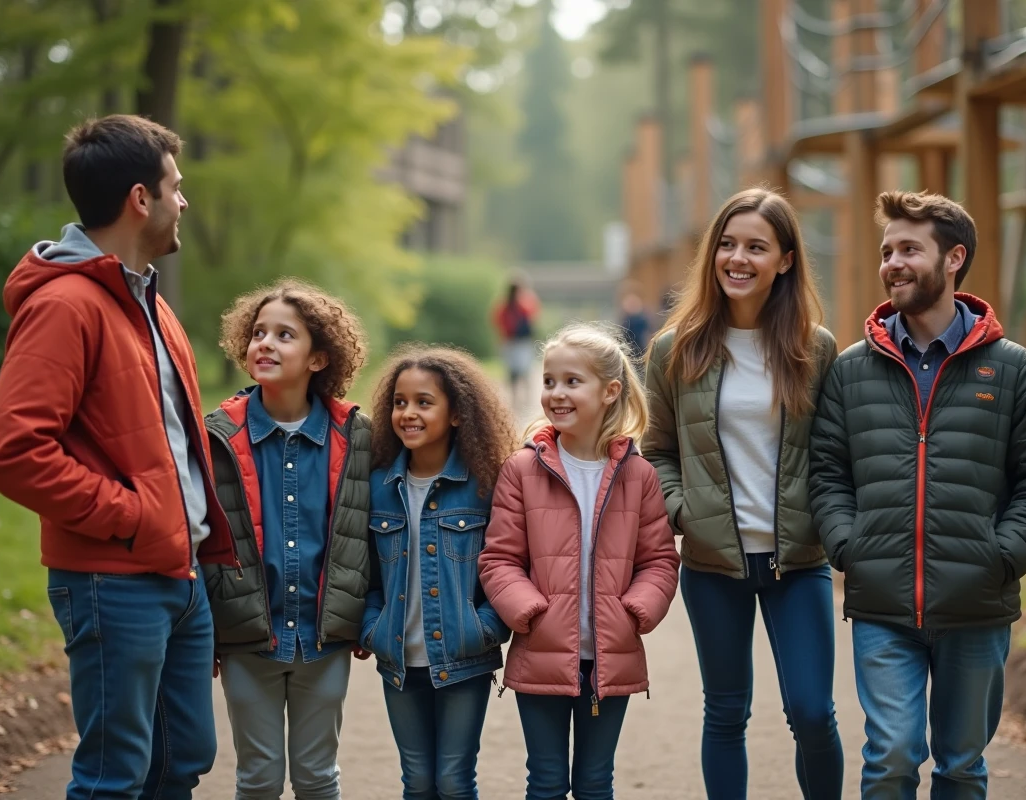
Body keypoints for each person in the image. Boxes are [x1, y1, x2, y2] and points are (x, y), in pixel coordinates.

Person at [0, 114, 234, 799]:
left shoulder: (148, 301)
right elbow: (13, 451)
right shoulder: (66, 305)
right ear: (139, 199)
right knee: (112, 777)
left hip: (179, 577)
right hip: (112, 579)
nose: (185, 202)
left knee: (181, 762)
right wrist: (131, 517)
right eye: (176, 187)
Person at [809, 190, 1026, 799]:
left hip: (976, 604)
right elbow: (825, 470)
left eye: (909, 249)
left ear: (954, 258)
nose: (893, 263)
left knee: (960, 765)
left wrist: (1000, 556)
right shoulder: (851, 371)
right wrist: (851, 547)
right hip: (883, 604)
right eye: (886, 251)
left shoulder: (1011, 370)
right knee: (893, 757)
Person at [642, 186, 844, 799]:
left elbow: (833, 455)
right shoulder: (676, 349)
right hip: (713, 564)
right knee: (726, 713)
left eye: (756, 247)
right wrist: (686, 512)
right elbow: (657, 452)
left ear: (785, 259)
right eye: (727, 245)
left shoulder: (816, 348)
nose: (737, 258)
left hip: (799, 562)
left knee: (812, 712)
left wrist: (825, 521)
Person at [479, 322, 681, 800]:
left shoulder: (640, 475)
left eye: (573, 381)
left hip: (610, 657)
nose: (557, 393)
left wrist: (637, 610)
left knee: (595, 782)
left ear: (611, 391)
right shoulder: (523, 470)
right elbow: (499, 558)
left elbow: (659, 560)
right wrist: (528, 610)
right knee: (545, 781)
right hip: (541, 651)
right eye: (549, 381)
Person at [203, 279, 373, 800]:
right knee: (257, 777)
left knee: (318, 776)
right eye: (258, 332)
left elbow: (367, 530)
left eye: (284, 335)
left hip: (323, 640)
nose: (265, 344)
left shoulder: (355, 436)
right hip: (247, 637)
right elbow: (200, 538)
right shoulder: (216, 437)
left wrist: (365, 614)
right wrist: (205, 627)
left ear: (319, 357)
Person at [362, 344, 517, 799]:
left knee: (453, 780)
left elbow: (506, 565)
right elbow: (367, 573)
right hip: (398, 659)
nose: (408, 413)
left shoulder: (485, 484)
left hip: (465, 658)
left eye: (424, 402)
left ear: (456, 414)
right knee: (416, 782)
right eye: (400, 402)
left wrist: (483, 628)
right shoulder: (378, 486)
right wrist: (374, 628)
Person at [492, 277, 540, 411]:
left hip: (510, 342)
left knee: (513, 372)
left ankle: (516, 399)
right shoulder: (524, 303)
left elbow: (497, 322)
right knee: (524, 371)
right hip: (521, 342)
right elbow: (533, 316)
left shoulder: (503, 305)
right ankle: (526, 399)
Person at [617, 284, 653, 365]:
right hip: (628, 349)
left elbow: (647, 332)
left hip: (640, 349)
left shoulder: (642, 316)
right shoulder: (626, 317)